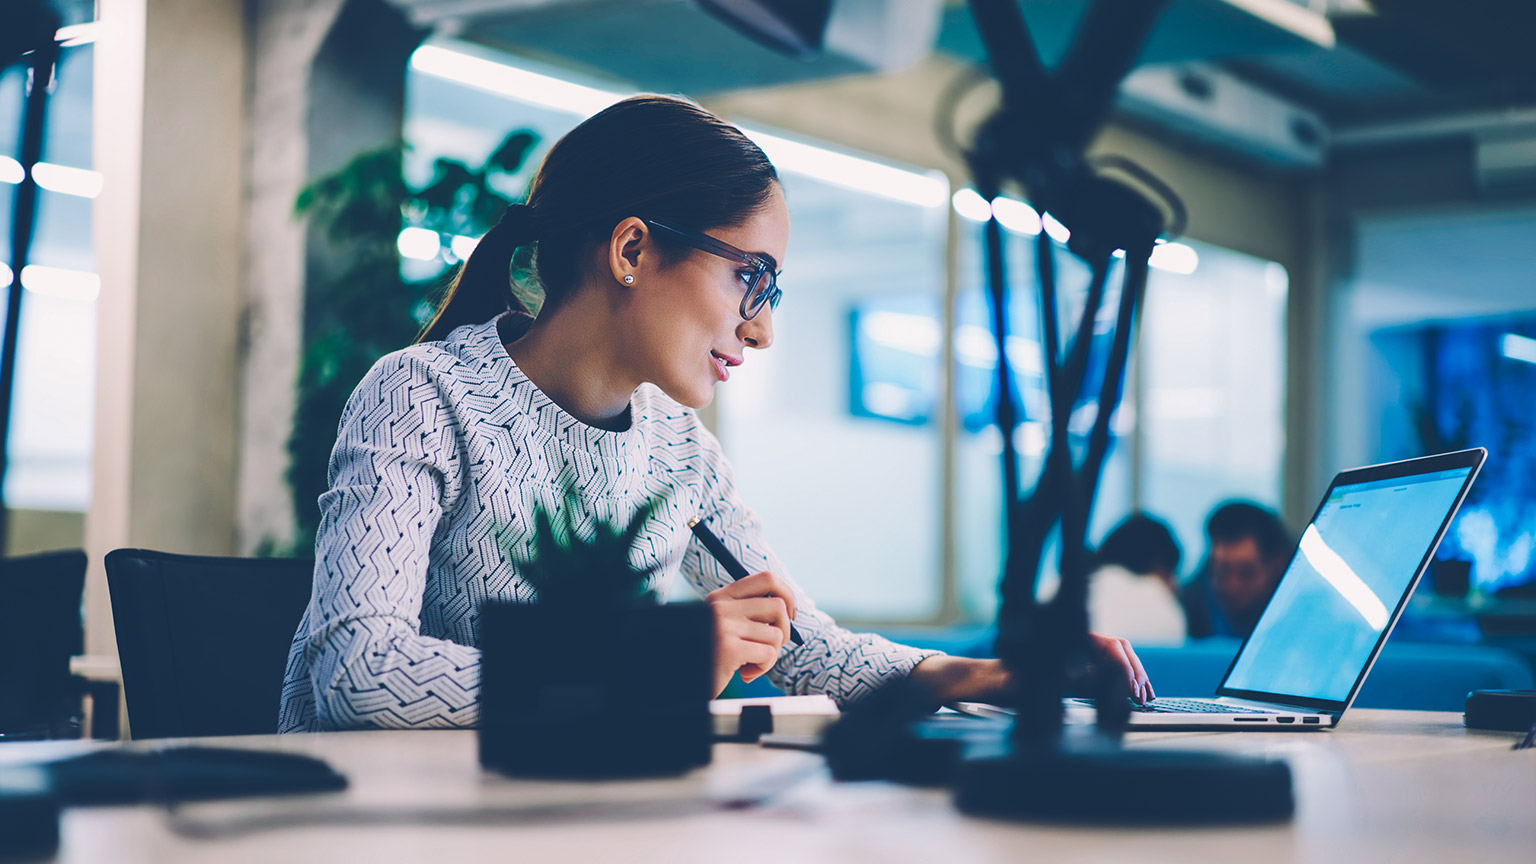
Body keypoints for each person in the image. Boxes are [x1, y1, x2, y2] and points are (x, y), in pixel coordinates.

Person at [278, 95, 1153, 732]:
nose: (763, 328)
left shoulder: (676, 452)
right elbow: (361, 675)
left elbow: (798, 645)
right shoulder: (420, 396)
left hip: (565, 815)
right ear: (632, 248)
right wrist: (654, 661)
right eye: (751, 278)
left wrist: (988, 673)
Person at [1179, 501, 1293, 639]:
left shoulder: (1300, 613)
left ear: (1277, 566)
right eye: (1222, 572)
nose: (1233, 585)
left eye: (1246, 573)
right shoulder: (1185, 610)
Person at [1087, 513, 1186, 645]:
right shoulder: (1164, 608)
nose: (1175, 585)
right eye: (1171, 573)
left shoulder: (1057, 589)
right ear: (1158, 566)